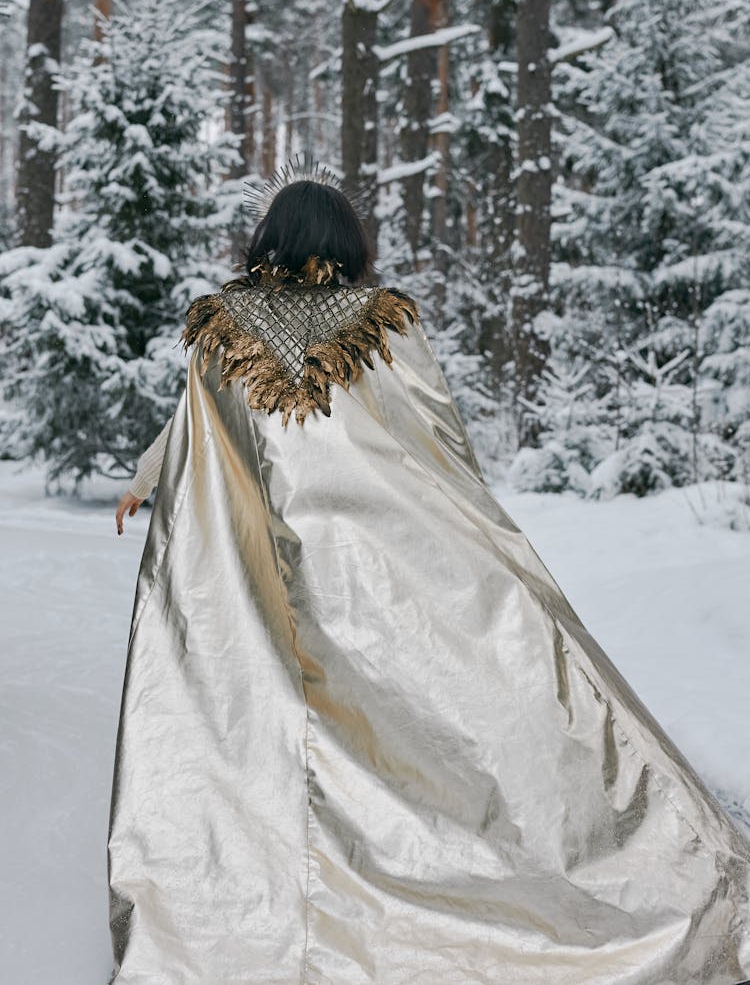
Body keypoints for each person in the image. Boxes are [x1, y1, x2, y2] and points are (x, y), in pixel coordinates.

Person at [108, 155, 750, 985]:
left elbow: (190, 428)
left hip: (264, 572)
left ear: (269, 237)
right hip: (377, 566)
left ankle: (268, 902)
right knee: (396, 725)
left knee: (275, 723)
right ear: (346, 239)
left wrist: (144, 481)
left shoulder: (223, 326)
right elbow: (440, 439)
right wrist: (471, 525)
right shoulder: (386, 324)